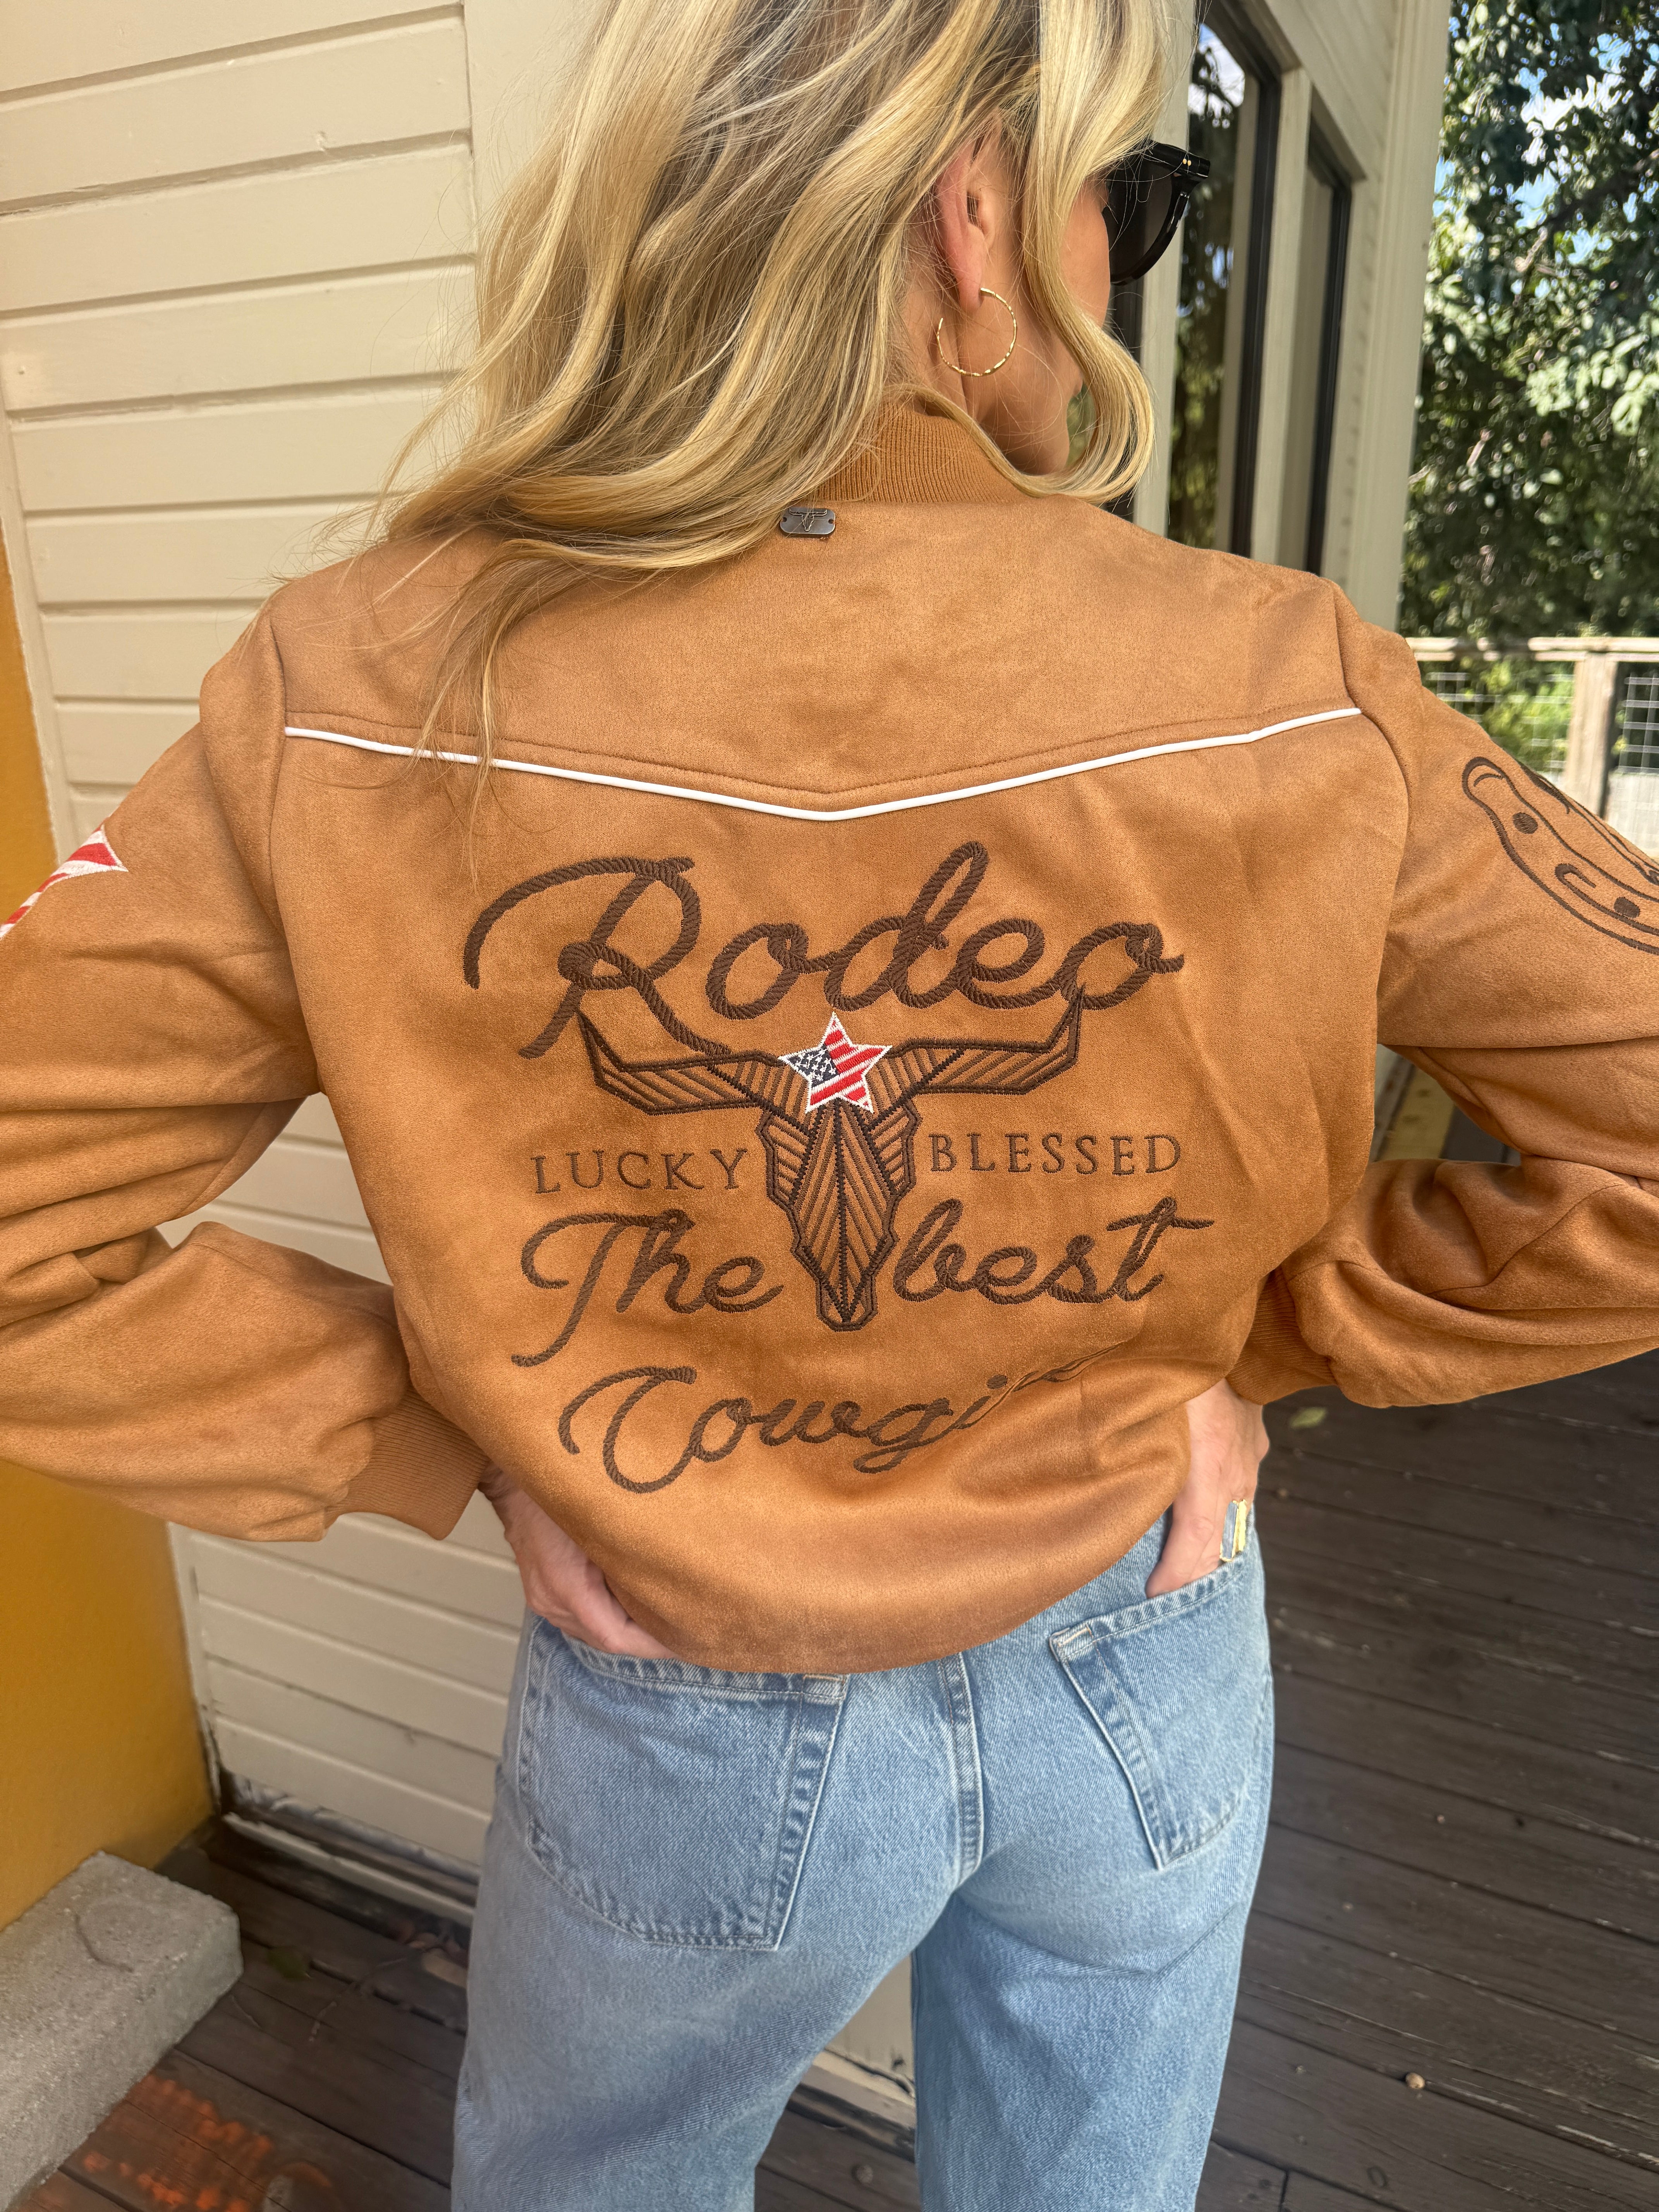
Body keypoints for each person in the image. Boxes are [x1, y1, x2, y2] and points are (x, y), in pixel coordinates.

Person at [4, 1, 1657, 2205]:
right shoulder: (1287, 684)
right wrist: (1249, 1350)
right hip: (1144, 1630)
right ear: (978, 211)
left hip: (686, 1694)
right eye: (1135, 197)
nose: (1124, 260)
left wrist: (468, 1436)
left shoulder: (359, 684)